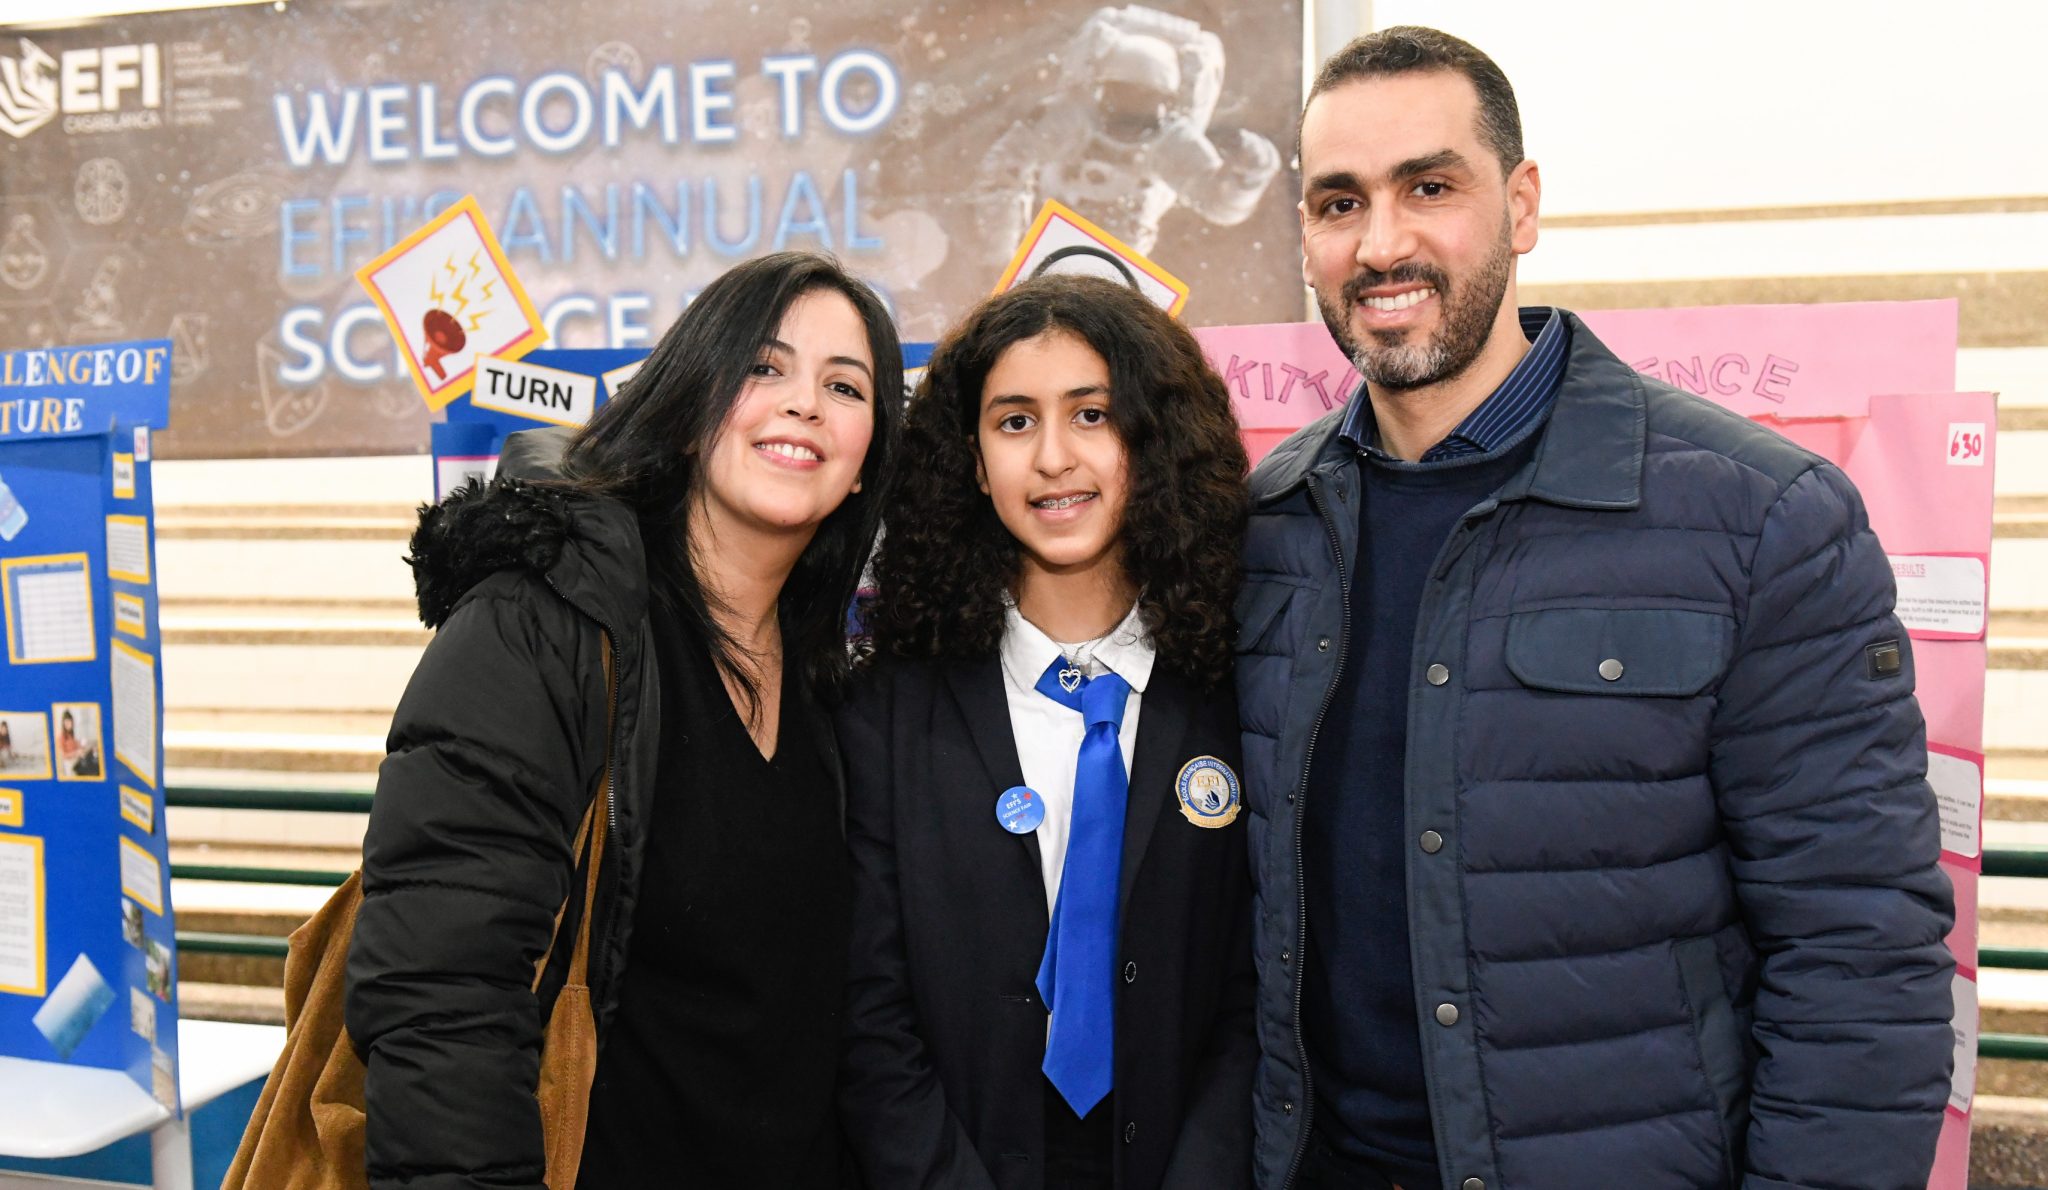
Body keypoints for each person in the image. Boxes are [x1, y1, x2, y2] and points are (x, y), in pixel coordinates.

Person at [1235, 26, 1956, 1190]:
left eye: (1430, 187)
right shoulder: (1266, 525)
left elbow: (1857, 954)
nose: (1381, 243)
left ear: (1519, 206)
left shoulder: (1761, 519)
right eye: (1337, 202)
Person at [344, 251, 900, 1189]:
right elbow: (439, 997)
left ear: (862, 468)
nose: (804, 403)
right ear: (688, 410)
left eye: (844, 385)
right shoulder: (548, 622)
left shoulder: (830, 685)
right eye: (765, 367)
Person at [841, 274, 1257, 1189]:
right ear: (974, 460)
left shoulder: (1241, 692)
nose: (1054, 457)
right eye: (1015, 421)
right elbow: (867, 1014)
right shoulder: (887, 715)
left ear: (1152, 442)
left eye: (1094, 415)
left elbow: (1258, 995)